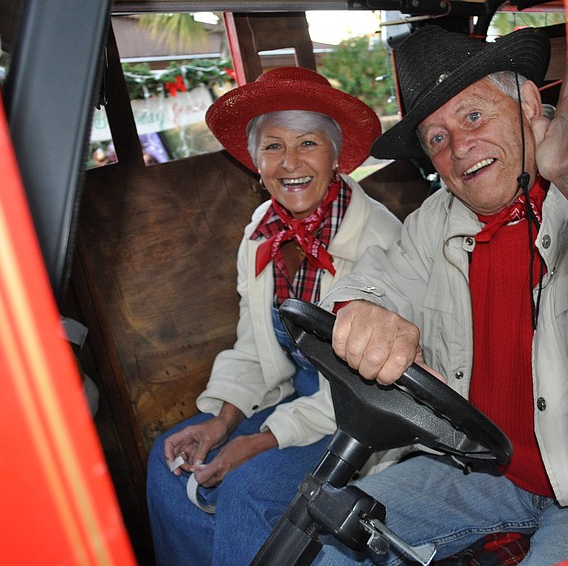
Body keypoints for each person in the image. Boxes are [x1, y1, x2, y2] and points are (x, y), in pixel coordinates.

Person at [312, 26, 568, 565]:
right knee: (332, 538)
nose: (459, 148)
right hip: (484, 469)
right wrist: (362, 311)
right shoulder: (437, 218)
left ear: (526, 102)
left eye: (473, 116)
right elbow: (373, 278)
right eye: (436, 138)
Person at [145, 66, 402, 566]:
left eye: (308, 144)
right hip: (296, 403)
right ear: (255, 164)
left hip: (359, 419)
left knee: (247, 488)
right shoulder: (261, 231)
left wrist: (262, 441)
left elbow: (362, 392)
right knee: (168, 461)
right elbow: (252, 348)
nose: (290, 164)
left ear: (334, 154)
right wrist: (221, 422)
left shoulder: (379, 241)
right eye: (273, 147)